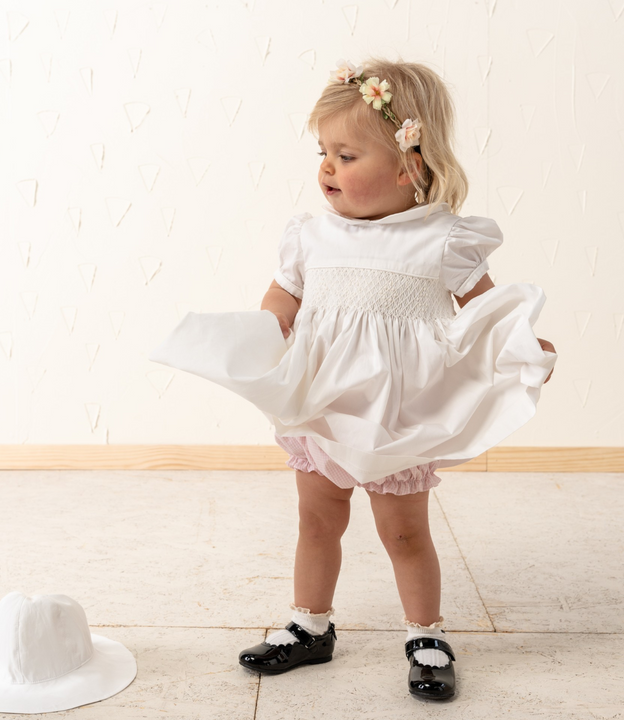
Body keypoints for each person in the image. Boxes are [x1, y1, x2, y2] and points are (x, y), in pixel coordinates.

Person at [149, 57, 557, 701]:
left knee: (404, 531)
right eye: (323, 152)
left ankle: (426, 633)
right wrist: (262, 337)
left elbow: (486, 309)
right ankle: (310, 624)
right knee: (318, 520)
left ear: (408, 165)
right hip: (321, 409)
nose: (327, 168)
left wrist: (522, 345)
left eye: (346, 154)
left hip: (397, 418)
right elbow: (280, 304)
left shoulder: (441, 240)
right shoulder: (312, 237)